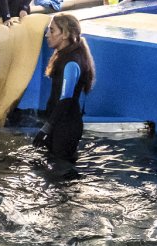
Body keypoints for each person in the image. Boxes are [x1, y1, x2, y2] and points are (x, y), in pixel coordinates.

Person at [34, 14, 95, 165]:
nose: (47, 34)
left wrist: (46, 129)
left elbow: (65, 100)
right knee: (52, 169)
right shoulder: (65, 55)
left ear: (65, 34)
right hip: (60, 124)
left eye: (52, 31)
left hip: (66, 127)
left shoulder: (71, 61)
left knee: (62, 172)